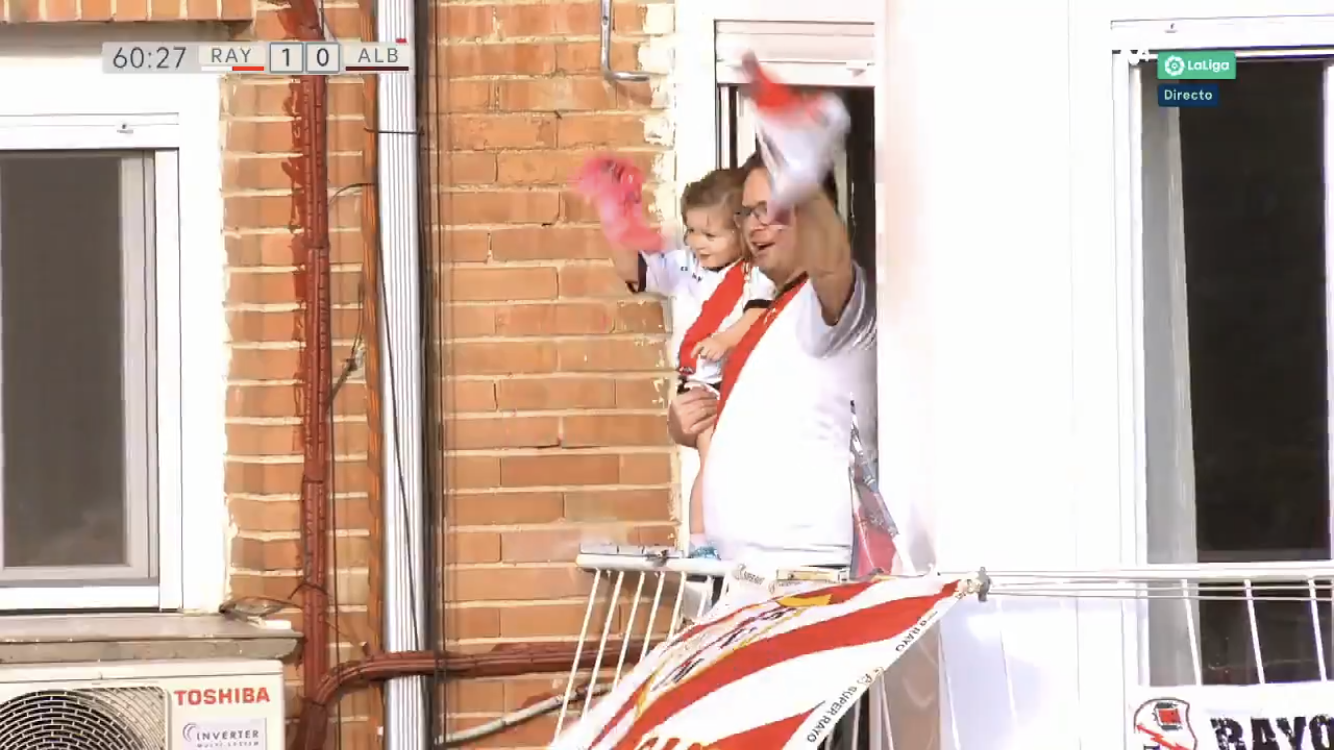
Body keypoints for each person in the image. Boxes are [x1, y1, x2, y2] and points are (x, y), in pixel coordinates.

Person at [669, 148, 876, 571]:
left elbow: (832, 260)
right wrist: (686, 423)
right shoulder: (762, 309)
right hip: (743, 572)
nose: (756, 225)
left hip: (805, 575)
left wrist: (793, 138)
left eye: (773, 208)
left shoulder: (831, 306)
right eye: (747, 213)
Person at [597, 166, 777, 557]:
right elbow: (632, 269)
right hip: (701, 386)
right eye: (691, 230)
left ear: (742, 232)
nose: (697, 242)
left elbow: (756, 314)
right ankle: (701, 540)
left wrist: (725, 339)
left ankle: (724, 534)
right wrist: (614, 216)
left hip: (737, 386)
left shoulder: (755, 275)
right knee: (711, 457)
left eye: (710, 235)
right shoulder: (685, 267)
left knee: (728, 464)